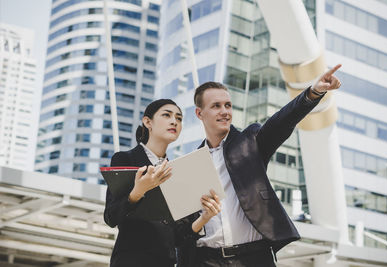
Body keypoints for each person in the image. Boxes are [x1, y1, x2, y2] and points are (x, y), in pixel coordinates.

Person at [179, 65, 343, 266]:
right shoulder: (191, 165)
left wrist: (314, 92)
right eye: (216, 106)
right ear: (199, 113)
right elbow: (184, 228)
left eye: (228, 105)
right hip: (206, 260)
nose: (225, 112)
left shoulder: (250, 141)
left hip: (253, 258)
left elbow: (282, 121)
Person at [104, 99, 221, 267]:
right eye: (167, 115)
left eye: (179, 118)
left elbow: (178, 238)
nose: (174, 121)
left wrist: (205, 217)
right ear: (147, 122)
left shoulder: (179, 173)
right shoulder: (125, 159)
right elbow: (111, 217)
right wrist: (138, 191)